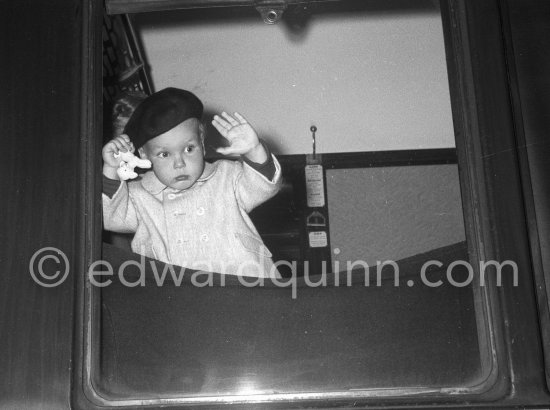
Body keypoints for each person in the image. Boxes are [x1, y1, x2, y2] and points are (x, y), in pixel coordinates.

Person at [102, 87, 282, 277]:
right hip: (178, 293)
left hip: (243, 281)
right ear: (144, 154)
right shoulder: (139, 195)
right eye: (164, 154)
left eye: (189, 149)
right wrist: (111, 169)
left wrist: (254, 150)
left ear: (202, 143)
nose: (179, 163)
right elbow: (111, 218)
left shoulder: (226, 176)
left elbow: (262, 187)